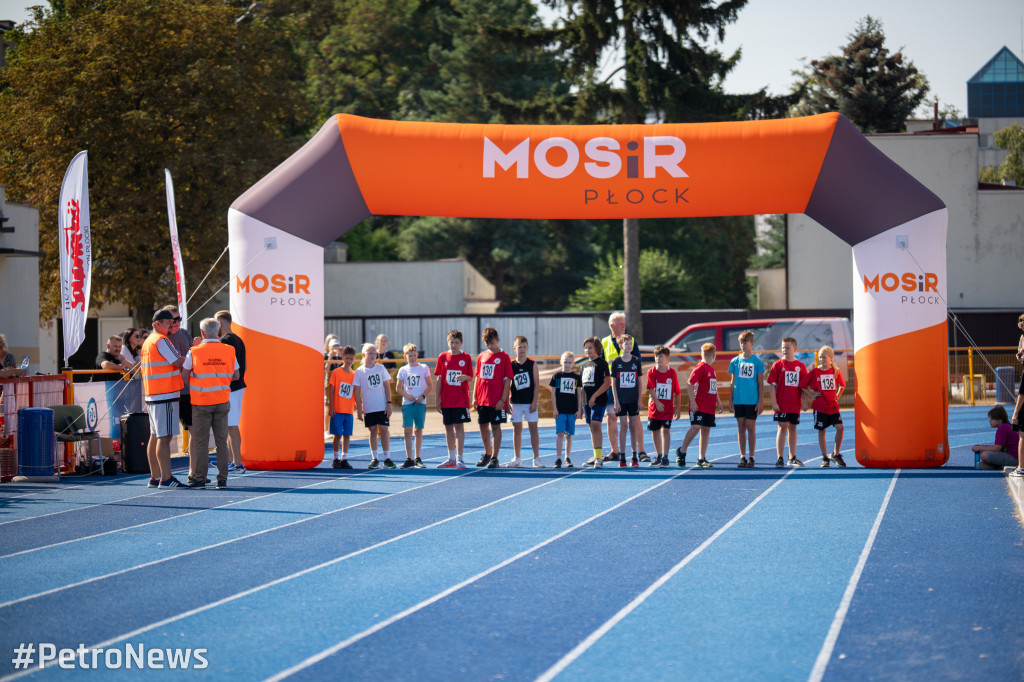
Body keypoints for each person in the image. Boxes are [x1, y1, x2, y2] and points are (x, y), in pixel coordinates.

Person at [182, 317, 239, 489]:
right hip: (222, 400)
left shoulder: (194, 351)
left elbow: (184, 376)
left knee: (201, 441)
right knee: (221, 441)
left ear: (202, 333)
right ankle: (222, 479)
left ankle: (200, 478)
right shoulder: (229, 350)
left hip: (201, 402)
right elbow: (236, 376)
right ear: (218, 331)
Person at [140, 309, 187, 488]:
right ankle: (166, 478)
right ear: (157, 323)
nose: (172, 324)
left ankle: (155, 477)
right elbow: (177, 361)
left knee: (156, 436)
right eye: (168, 321)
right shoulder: (161, 340)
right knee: (164, 437)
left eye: (173, 321)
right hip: (164, 394)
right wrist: (195, 356)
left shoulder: (149, 341)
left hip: (154, 394)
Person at [677, 343, 724, 469]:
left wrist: (718, 402)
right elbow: (689, 383)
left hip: (709, 406)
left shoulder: (711, 369)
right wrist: (693, 402)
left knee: (706, 430)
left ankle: (701, 458)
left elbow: (713, 387)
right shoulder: (700, 367)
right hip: (698, 405)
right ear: (713, 356)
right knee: (696, 427)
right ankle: (682, 451)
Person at [472, 327, 512, 469]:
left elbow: (507, 380)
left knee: (495, 427)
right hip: (482, 398)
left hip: (496, 400)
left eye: (492, 342)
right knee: (483, 426)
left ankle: (495, 457)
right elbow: (478, 377)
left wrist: (503, 400)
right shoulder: (482, 356)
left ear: (498, 340)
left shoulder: (504, 357)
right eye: (487, 343)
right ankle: (487, 453)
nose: (490, 345)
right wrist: (474, 396)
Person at [767, 336, 810, 468]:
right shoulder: (778, 365)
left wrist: (805, 401)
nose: (784, 350)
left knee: (793, 428)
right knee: (782, 427)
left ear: (794, 349)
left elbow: (804, 386)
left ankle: (792, 456)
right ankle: (780, 457)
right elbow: (772, 385)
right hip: (782, 403)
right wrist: (774, 402)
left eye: (787, 347)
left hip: (794, 404)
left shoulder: (800, 366)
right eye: (783, 347)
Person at [433, 329, 473, 469]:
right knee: (448, 428)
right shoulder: (442, 357)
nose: (453, 345)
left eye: (456, 342)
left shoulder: (466, 358)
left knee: (459, 427)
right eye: (451, 342)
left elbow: (471, 377)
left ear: (461, 343)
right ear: (447, 342)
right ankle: (451, 458)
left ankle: (460, 459)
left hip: (460, 399)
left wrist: (465, 378)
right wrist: (437, 399)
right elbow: (439, 378)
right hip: (446, 399)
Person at [803, 345, 847, 467]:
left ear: (831, 358)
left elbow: (842, 385)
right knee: (822, 431)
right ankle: (825, 457)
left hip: (832, 406)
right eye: (820, 357)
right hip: (820, 407)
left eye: (824, 357)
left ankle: (835, 454)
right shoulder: (815, 372)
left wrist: (837, 395)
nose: (821, 359)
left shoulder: (835, 371)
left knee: (840, 428)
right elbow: (802, 385)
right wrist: (811, 396)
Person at [353, 343, 394, 469]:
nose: (372, 355)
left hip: (381, 405)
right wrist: (359, 409)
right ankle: (374, 458)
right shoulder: (359, 371)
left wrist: (388, 403)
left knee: (384, 430)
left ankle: (387, 458)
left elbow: (387, 386)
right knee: (372, 431)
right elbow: (357, 392)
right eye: (369, 353)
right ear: (364, 354)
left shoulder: (381, 369)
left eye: (374, 353)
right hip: (369, 406)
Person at [215, 310, 246, 473]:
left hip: (232, 387)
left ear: (220, 323)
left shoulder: (226, 341)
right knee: (229, 425)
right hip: (236, 386)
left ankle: (237, 462)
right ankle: (229, 460)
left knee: (232, 425)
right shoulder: (238, 339)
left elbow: (230, 366)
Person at [728, 330, 764, 468]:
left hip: (752, 400)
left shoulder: (757, 361)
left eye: (745, 342)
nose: (743, 345)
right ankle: (742, 456)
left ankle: (752, 456)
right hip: (739, 399)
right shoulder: (735, 361)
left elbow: (760, 383)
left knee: (751, 427)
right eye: (741, 343)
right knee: (741, 427)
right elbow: (732, 382)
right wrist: (731, 400)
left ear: (752, 343)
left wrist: (760, 401)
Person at [161, 305, 193, 458]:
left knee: (194, 430)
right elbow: (182, 361)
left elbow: (192, 357)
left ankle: (195, 471)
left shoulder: (185, 334)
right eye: (173, 320)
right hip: (167, 392)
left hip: (186, 390)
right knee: (163, 436)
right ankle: (161, 474)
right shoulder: (161, 339)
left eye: (178, 319)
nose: (176, 322)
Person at [507, 335, 543, 468]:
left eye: (524, 347)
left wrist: (534, 402)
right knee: (517, 429)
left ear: (527, 348)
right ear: (514, 348)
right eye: (519, 347)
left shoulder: (532, 364)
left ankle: (536, 458)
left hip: (529, 402)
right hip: (515, 402)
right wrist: (506, 402)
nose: (521, 349)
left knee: (533, 428)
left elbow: (536, 384)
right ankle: (517, 458)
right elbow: (507, 384)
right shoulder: (511, 365)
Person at [396, 343, 433, 469]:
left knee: (418, 430)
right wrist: (407, 395)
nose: (412, 358)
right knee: (407, 430)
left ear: (417, 355)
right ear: (405, 356)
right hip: (408, 403)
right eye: (409, 356)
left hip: (420, 403)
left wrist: (422, 396)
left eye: (414, 355)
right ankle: (409, 458)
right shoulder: (403, 370)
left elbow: (430, 385)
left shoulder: (423, 368)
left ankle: (417, 457)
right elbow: (398, 388)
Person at [609, 333, 644, 468]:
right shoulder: (616, 362)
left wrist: (639, 400)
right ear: (621, 346)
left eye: (631, 343)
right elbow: (614, 383)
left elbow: (639, 382)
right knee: (623, 426)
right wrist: (616, 401)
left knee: (633, 426)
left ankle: (634, 456)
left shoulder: (636, 361)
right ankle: (622, 457)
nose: (629, 346)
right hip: (622, 400)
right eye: (626, 344)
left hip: (633, 399)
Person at [646, 346, 681, 468]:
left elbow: (677, 391)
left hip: (667, 409)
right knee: (655, 431)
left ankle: (665, 457)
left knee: (665, 430)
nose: (658, 358)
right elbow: (650, 388)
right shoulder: (651, 372)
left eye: (661, 356)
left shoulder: (672, 373)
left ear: (667, 358)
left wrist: (678, 408)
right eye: (656, 356)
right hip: (654, 409)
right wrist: (657, 403)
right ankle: (659, 455)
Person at [580, 336, 611, 468]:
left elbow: (607, 382)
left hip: (599, 400)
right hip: (586, 401)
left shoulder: (602, 363)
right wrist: (581, 405)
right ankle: (595, 455)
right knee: (591, 428)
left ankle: (599, 459)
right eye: (586, 348)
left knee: (596, 425)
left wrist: (594, 396)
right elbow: (582, 386)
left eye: (590, 347)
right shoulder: (584, 365)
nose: (588, 350)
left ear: (597, 349)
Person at [548, 351, 582, 469]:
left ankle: (567, 457)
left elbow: (579, 393)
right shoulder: (557, 376)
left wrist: (579, 409)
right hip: (560, 410)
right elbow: (553, 394)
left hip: (572, 411)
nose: (567, 364)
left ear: (573, 363)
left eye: (569, 362)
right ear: (561, 362)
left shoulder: (576, 377)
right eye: (565, 362)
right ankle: (558, 458)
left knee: (569, 435)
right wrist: (555, 409)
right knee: (560, 434)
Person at [600, 311, 627, 462]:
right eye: (621, 324)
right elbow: (601, 365)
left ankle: (639, 451)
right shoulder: (604, 343)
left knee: (632, 419)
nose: (624, 327)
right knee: (611, 417)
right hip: (611, 386)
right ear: (612, 326)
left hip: (627, 385)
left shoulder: (630, 340)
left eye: (624, 324)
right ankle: (615, 451)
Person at [327, 345, 357, 469]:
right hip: (338, 409)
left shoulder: (355, 374)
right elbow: (332, 389)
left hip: (348, 410)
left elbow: (356, 391)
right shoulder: (336, 372)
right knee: (337, 435)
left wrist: (358, 407)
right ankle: (335, 458)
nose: (348, 361)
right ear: (343, 357)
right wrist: (331, 406)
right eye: (346, 358)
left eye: (351, 359)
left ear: (353, 359)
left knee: (347, 435)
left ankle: (344, 458)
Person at [973, 405, 1019, 470]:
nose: (989, 421)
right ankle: (994, 465)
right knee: (986, 452)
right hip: (1016, 456)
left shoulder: (1003, 428)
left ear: (999, 420)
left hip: (1014, 458)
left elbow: (997, 448)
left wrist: (979, 447)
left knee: (984, 455)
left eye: (992, 419)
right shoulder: (1007, 426)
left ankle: (996, 466)